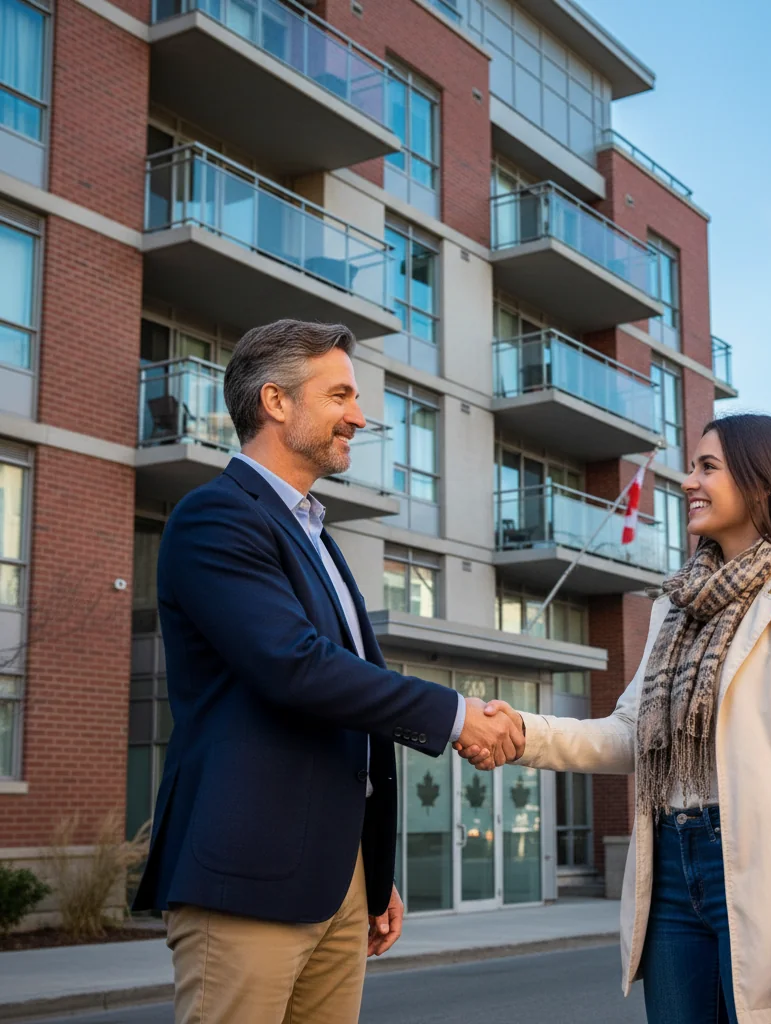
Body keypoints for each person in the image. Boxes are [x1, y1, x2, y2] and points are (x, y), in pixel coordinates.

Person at [133, 319, 523, 1024]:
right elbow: (297, 668)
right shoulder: (215, 518)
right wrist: (456, 715)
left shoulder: (316, 534)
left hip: (336, 881)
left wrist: (369, 873)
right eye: (340, 394)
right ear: (277, 402)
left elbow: (346, 710)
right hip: (248, 878)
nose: (360, 415)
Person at [458, 414, 771, 1024]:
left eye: (707, 467)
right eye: (692, 466)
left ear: (763, 482)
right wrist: (521, 733)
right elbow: (632, 734)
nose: (688, 481)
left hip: (763, 869)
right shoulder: (676, 605)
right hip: (666, 862)